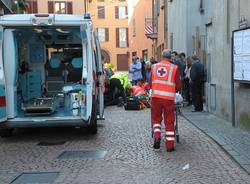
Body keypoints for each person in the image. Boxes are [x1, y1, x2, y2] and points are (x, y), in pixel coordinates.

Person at [150, 49, 182, 151]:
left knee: (156, 119)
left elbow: (150, 83)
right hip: (168, 99)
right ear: (170, 57)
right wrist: (173, 90)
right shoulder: (174, 68)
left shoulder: (154, 67)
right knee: (169, 121)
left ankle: (157, 137)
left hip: (156, 98)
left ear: (162, 56)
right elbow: (178, 85)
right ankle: (170, 146)